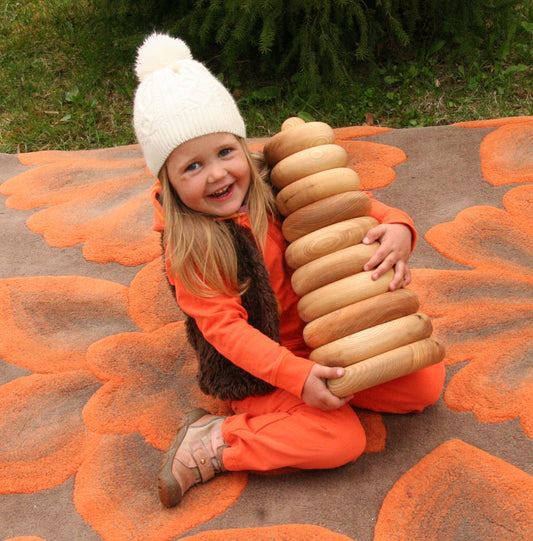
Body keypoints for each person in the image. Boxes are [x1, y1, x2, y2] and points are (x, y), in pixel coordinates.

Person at [132, 32, 446, 508]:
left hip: (328, 332)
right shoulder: (191, 246)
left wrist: (398, 227)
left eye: (224, 153)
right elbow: (227, 333)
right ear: (169, 183)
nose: (216, 174)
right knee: (341, 442)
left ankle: (334, 389)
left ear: (241, 145)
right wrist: (297, 378)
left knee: (423, 382)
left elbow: (346, 206)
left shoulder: (273, 183)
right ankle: (215, 440)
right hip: (261, 369)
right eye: (191, 167)